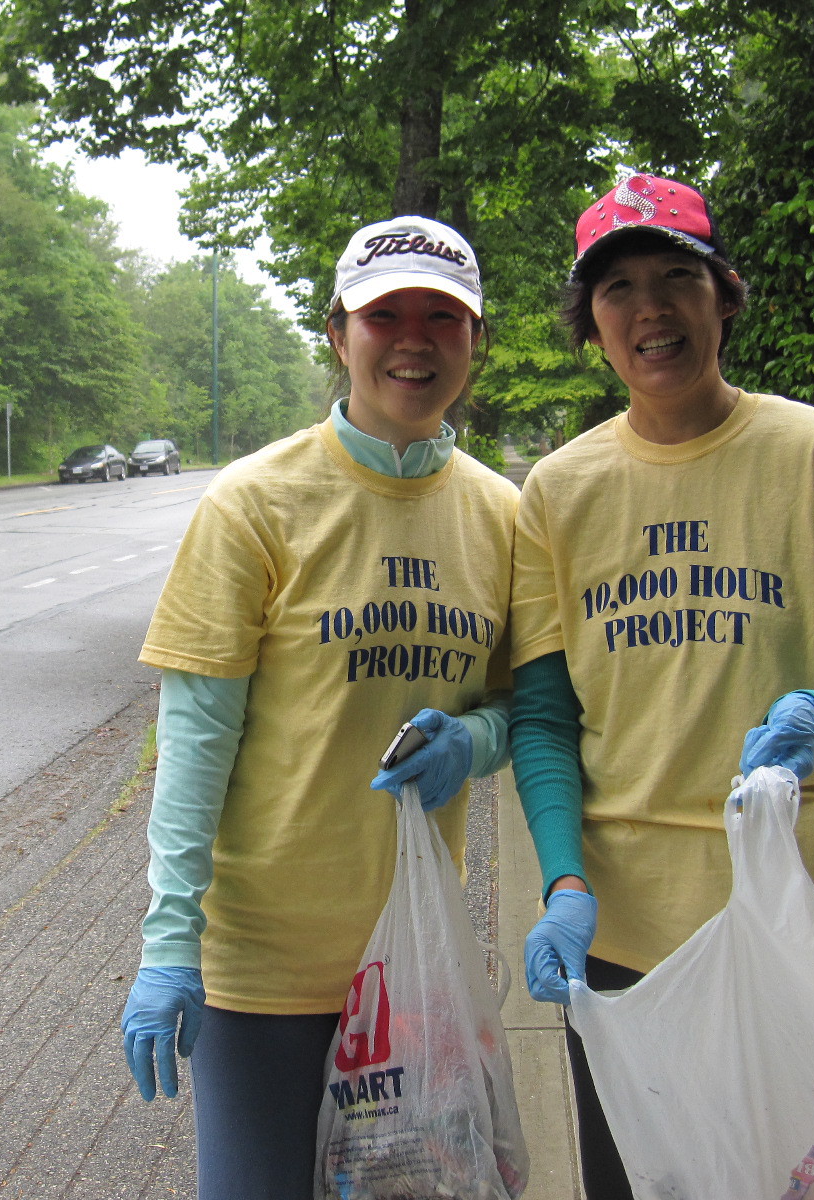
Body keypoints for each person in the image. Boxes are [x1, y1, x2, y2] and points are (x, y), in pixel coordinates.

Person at [508, 173, 814, 1199]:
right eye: (616, 290)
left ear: (725, 295)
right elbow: (541, 719)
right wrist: (563, 882)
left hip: (786, 920)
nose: (648, 308)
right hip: (617, 938)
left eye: (676, 277)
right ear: (592, 326)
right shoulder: (558, 492)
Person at [119, 215, 521, 1199]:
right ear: (339, 335)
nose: (415, 339)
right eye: (386, 315)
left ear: (475, 342)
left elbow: (527, 709)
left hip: (411, 968)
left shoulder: (505, 517)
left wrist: (474, 739)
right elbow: (196, 742)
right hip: (260, 972)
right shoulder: (253, 503)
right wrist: (169, 946)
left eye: (443, 317)